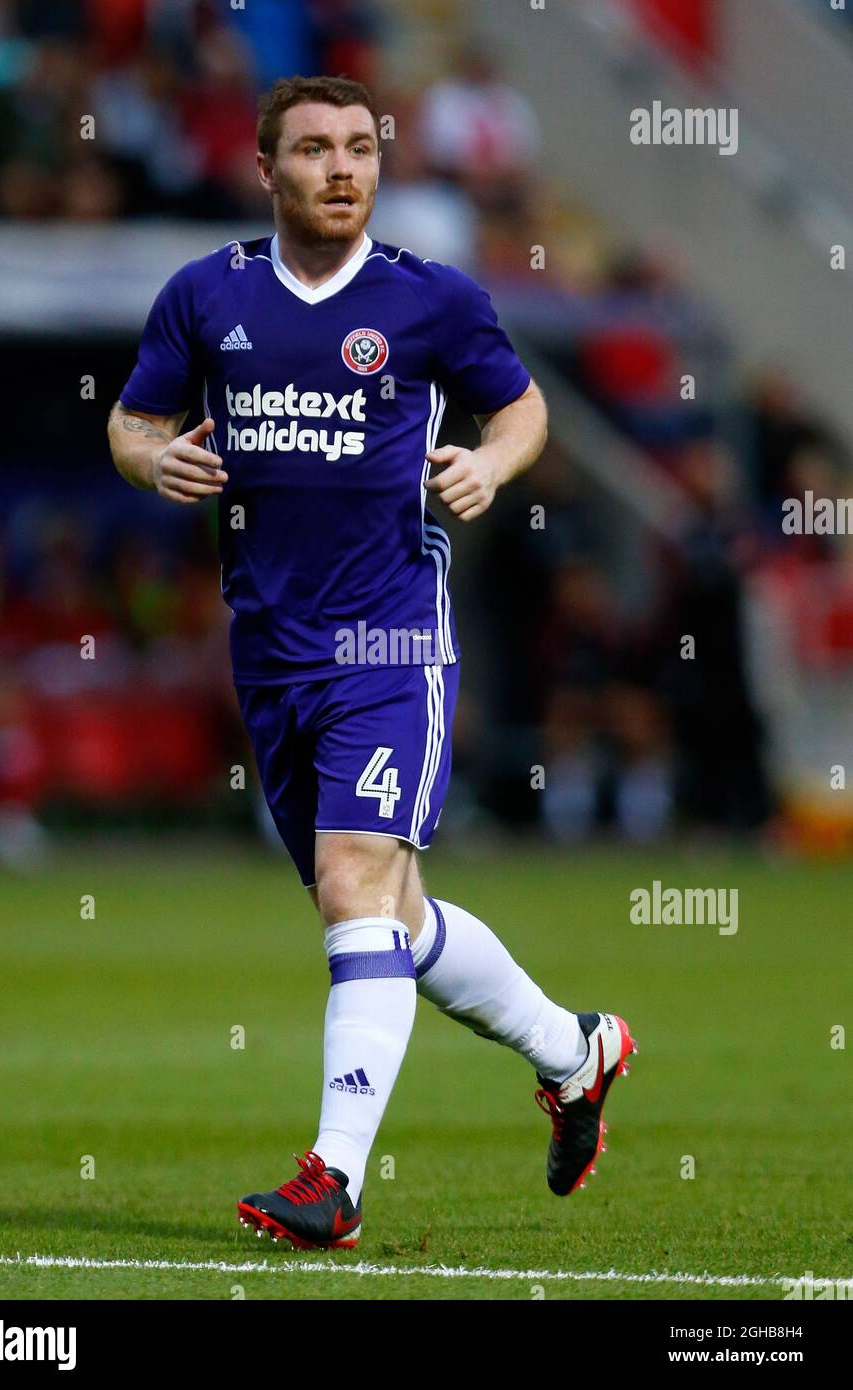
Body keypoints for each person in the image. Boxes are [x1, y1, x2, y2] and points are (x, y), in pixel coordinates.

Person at [107, 75, 636, 1252]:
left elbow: (523, 411)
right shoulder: (207, 297)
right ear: (265, 170)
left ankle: (332, 1180)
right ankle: (576, 1049)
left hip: (391, 637)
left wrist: (492, 469)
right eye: (313, 150)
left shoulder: (429, 301)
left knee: (355, 884)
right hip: (271, 648)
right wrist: (154, 464)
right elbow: (132, 424)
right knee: (389, 911)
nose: (342, 167)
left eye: (359, 147)